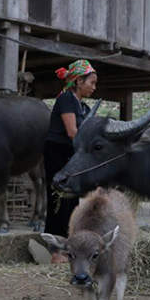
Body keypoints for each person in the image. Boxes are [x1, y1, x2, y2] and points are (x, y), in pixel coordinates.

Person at [43, 59, 98, 261]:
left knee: (73, 200)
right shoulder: (66, 98)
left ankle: (69, 247)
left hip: (73, 154)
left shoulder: (83, 106)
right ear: (78, 81)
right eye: (91, 82)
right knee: (58, 199)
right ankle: (56, 251)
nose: (94, 87)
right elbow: (73, 132)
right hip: (58, 152)